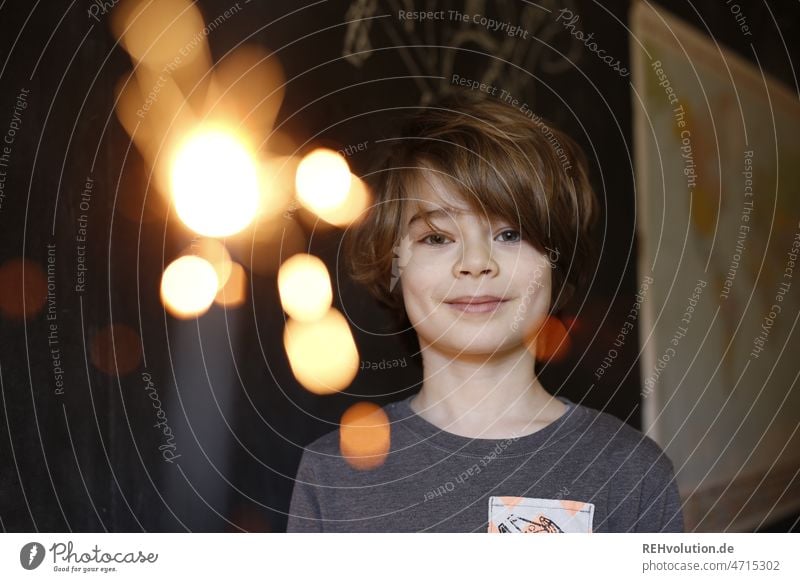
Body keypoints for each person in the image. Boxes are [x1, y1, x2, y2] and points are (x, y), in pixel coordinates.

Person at [286, 96, 684, 533]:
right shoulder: (331, 477)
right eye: (437, 238)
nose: (476, 262)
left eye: (509, 233)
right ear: (394, 265)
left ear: (556, 262)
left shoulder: (630, 471)